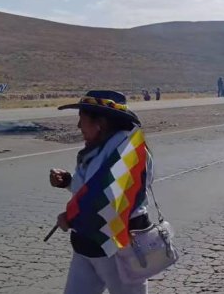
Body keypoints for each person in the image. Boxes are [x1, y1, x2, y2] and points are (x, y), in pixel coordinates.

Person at [48, 91, 154, 294]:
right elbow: (92, 188)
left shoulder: (128, 150)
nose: (79, 126)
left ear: (101, 123)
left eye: (82, 119)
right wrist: (69, 182)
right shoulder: (100, 147)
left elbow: (109, 199)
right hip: (88, 244)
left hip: (120, 248)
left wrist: (71, 218)